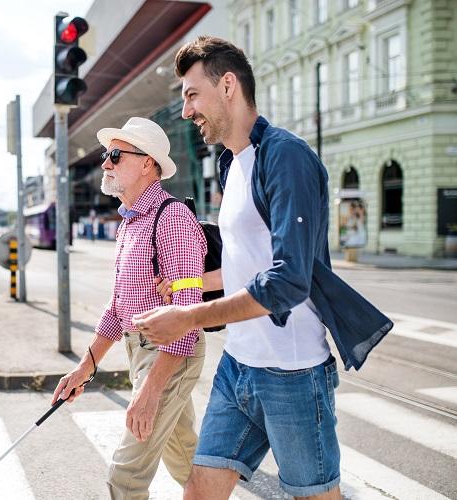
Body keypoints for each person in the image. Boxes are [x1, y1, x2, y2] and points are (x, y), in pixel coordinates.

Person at [133, 36, 391, 499]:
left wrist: (188, 317)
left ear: (228, 85)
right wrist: (186, 284)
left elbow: (288, 281)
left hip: (292, 374)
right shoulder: (232, 164)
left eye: (193, 95)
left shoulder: (287, 157)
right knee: (198, 491)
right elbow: (244, 265)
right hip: (239, 367)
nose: (187, 111)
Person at [51, 117, 208, 499]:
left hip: (170, 354)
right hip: (142, 351)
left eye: (115, 155)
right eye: (107, 155)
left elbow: (187, 315)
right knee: (187, 461)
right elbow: (119, 306)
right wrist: (85, 367)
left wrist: (151, 390)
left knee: (125, 478)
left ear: (147, 164)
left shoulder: (172, 219)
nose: (105, 163)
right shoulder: (130, 224)